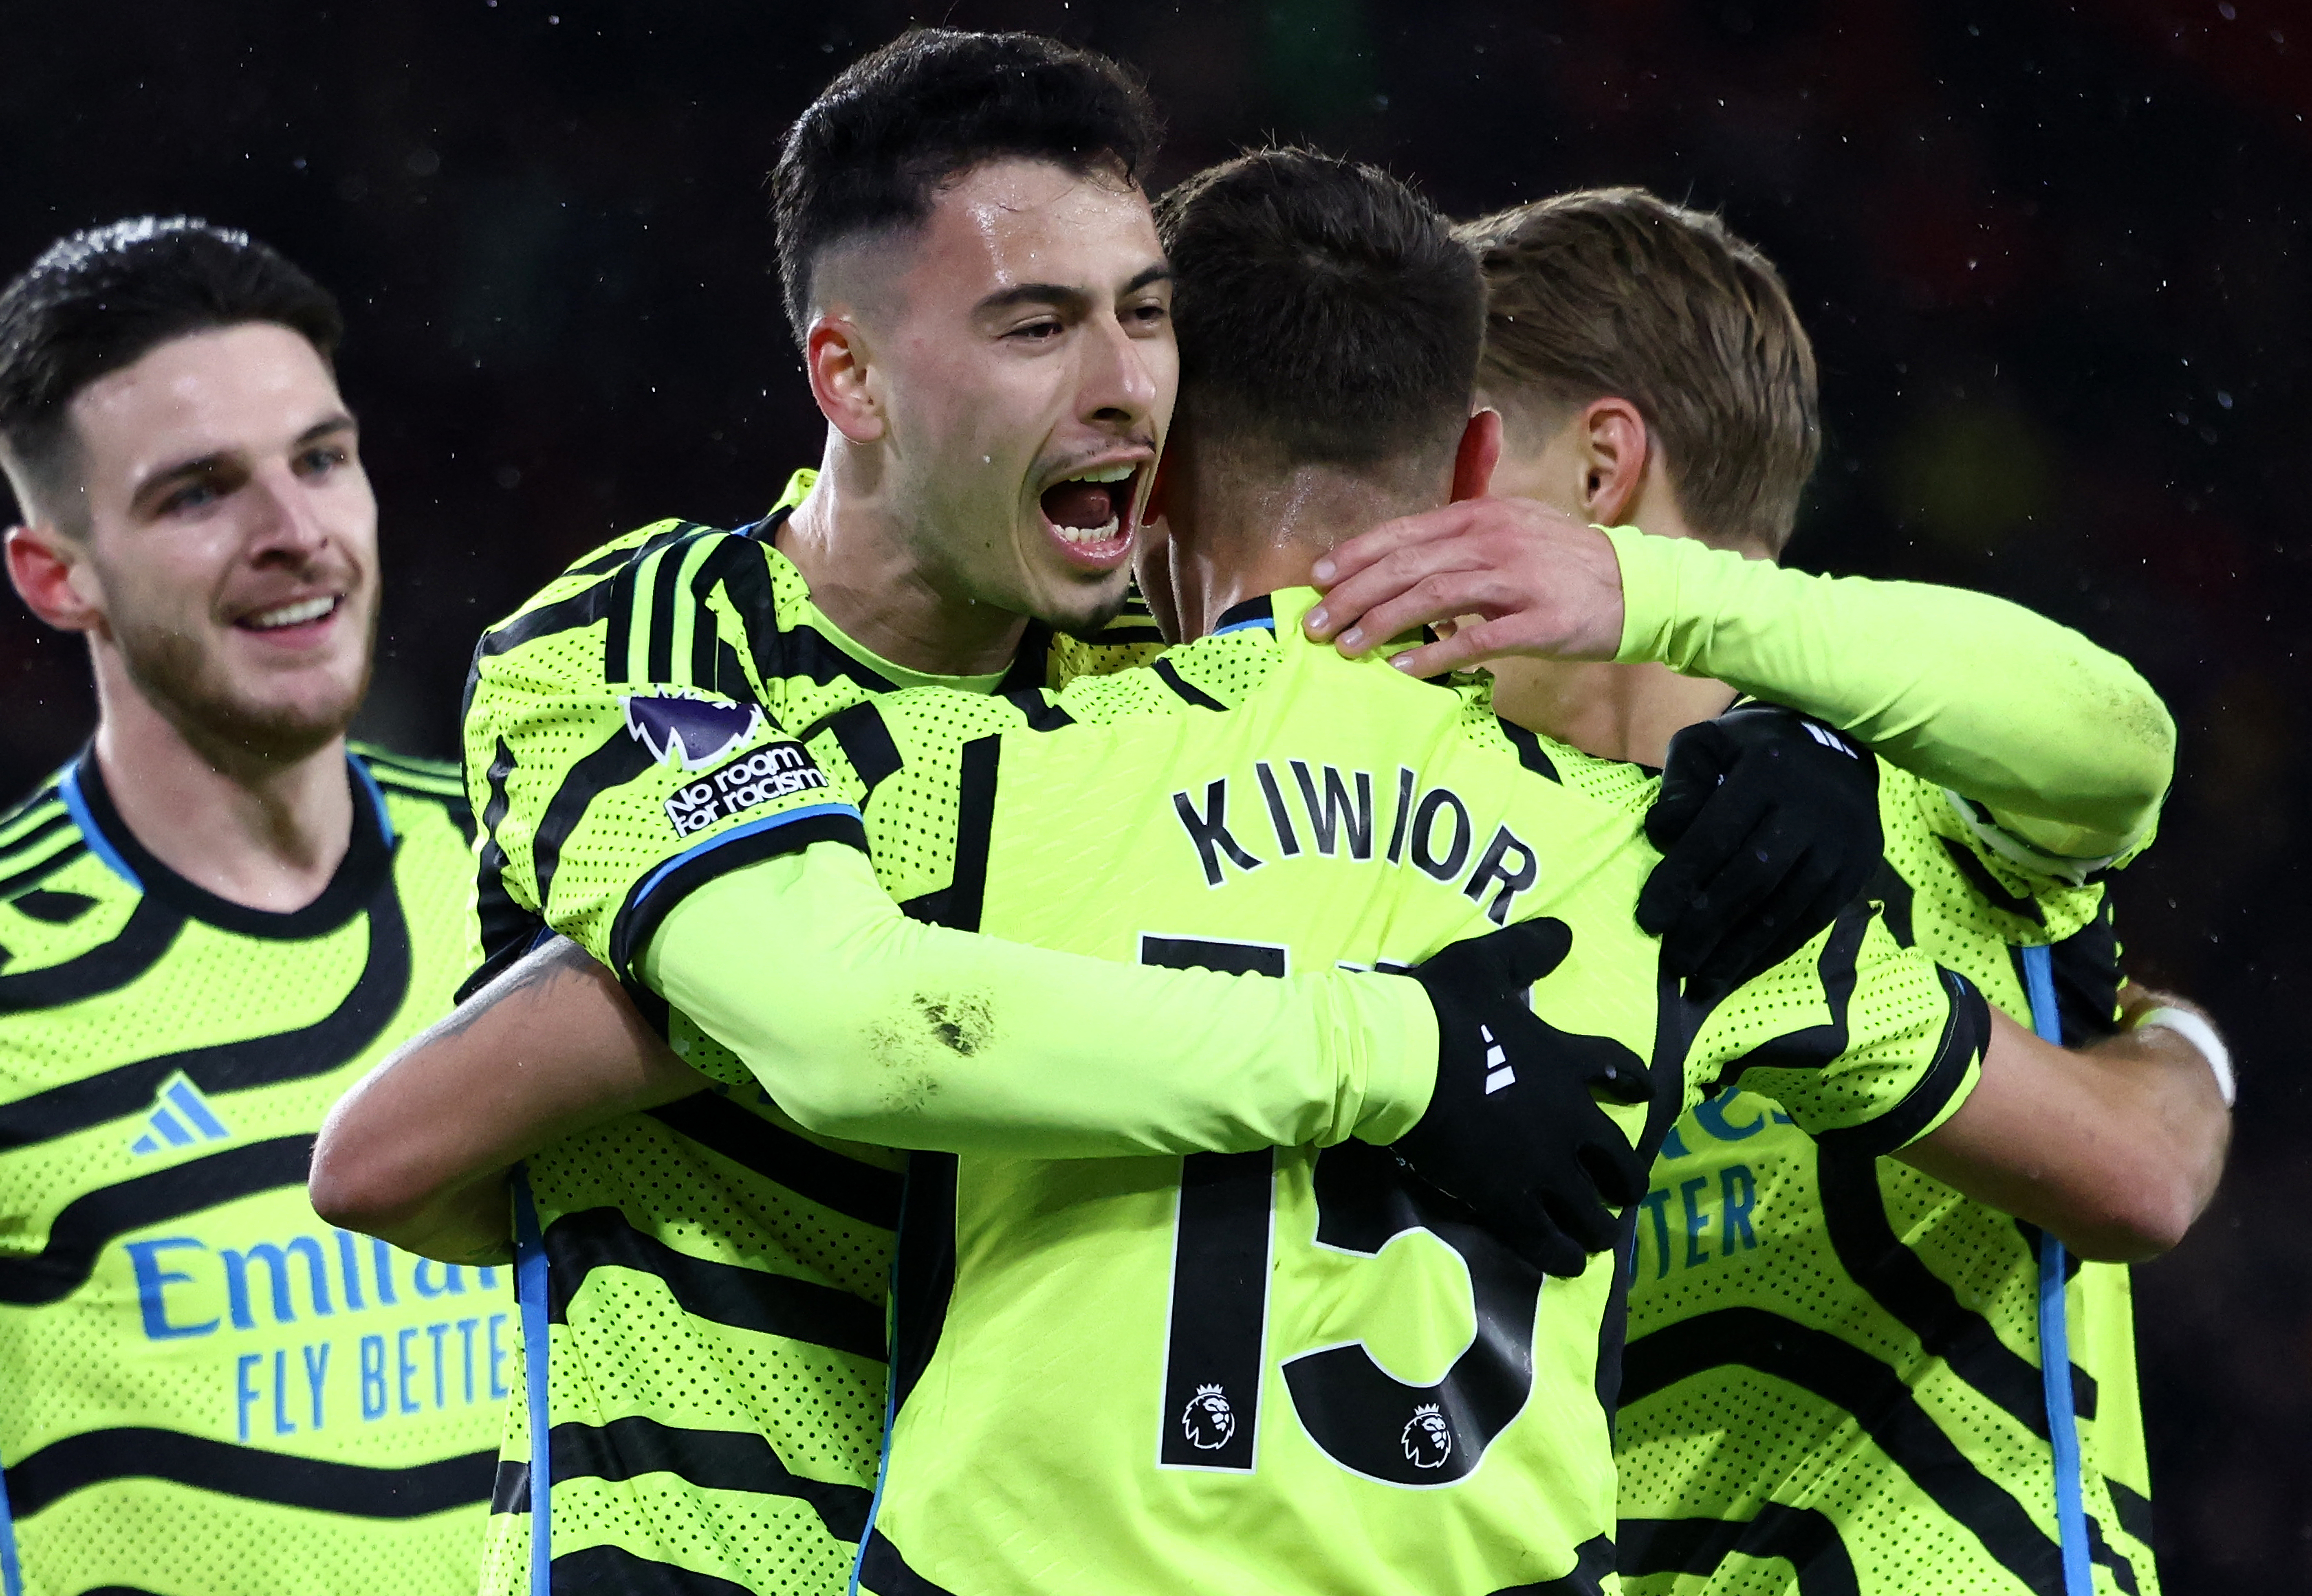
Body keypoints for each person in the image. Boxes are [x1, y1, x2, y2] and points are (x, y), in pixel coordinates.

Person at [327, 148, 2221, 1596]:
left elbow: (395, 1145)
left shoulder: (986, 787)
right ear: (1459, 443)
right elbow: (2129, 1129)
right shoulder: (1689, 889)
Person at [315, 31, 1706, 1596]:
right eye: (1036, 326)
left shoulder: (1157, 664)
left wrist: (1771, 742)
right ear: (850, 374)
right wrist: (1396, 1050)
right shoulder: (640, 646)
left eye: (1148, 316)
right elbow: (846, 1028)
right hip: (698, 1562)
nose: (1124, 390)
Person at [1301, 187, 2233, 1594]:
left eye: (1460, 460)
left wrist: (1658, 598)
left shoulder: (1920, 787)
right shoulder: (1442, 850)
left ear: (1601, 471)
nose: (1418, 522)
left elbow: (2122, 746)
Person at [0, 220, 507, 1595]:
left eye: (322, 460)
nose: (295, 534)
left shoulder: (540, 877)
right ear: (60, 576)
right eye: (198, 494)